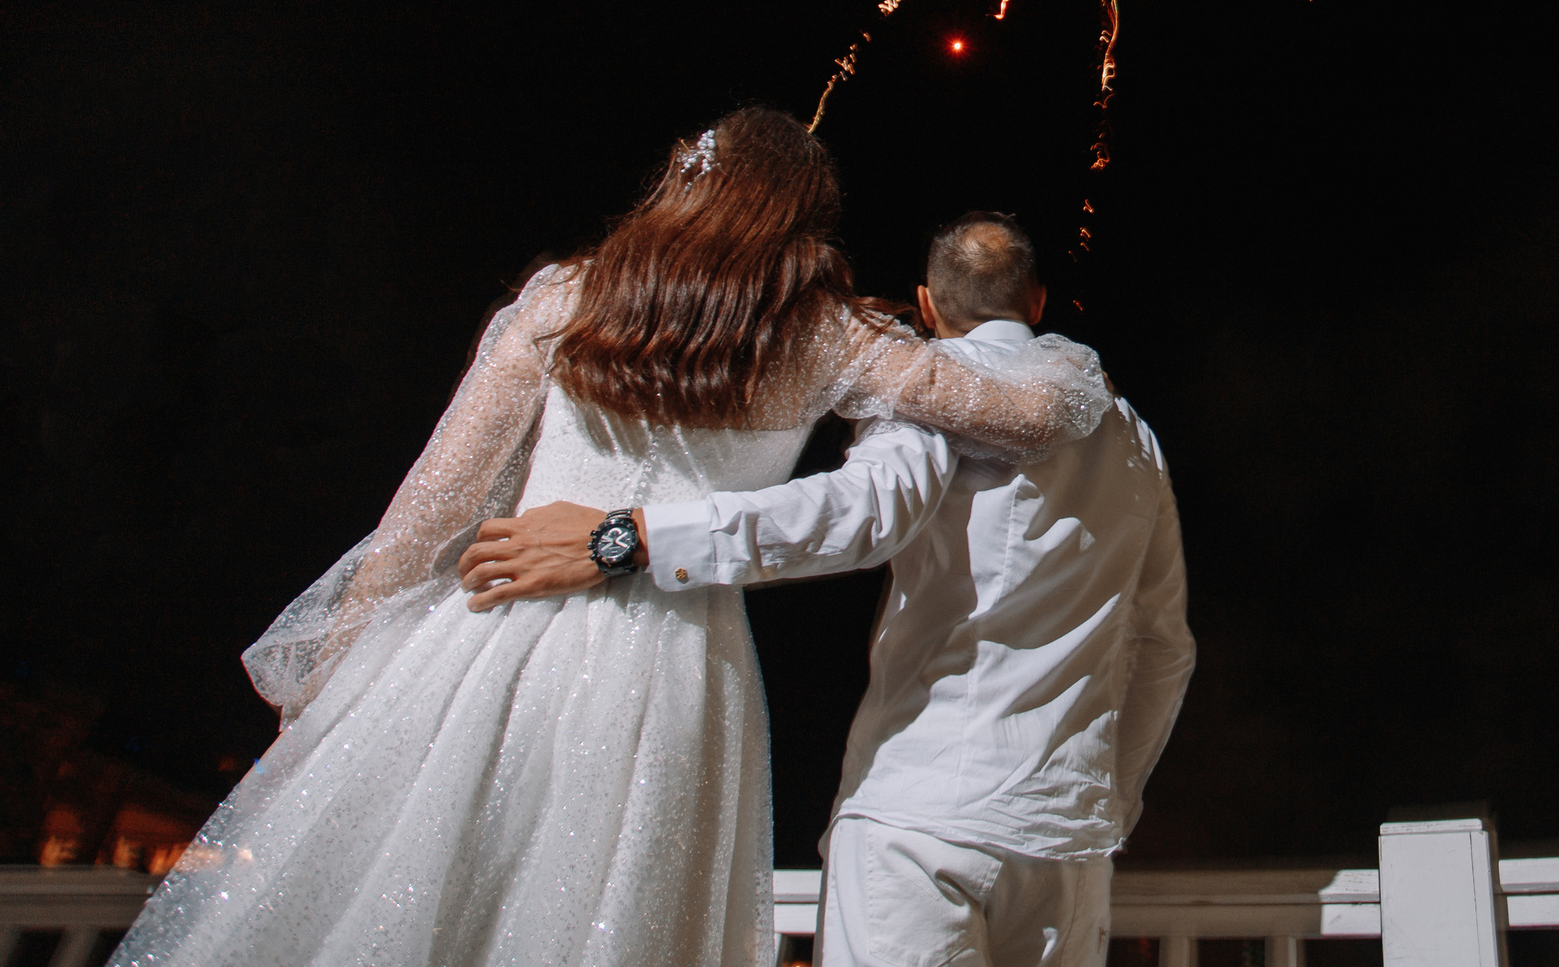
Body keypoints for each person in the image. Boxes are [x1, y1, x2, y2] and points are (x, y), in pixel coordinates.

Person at [113, 110, 1111, 967]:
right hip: (675, 672)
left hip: (490, 644)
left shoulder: (563, 300)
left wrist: (328, 682)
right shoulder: (828, 337)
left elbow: (428, 510)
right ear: (800, 219)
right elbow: (1040, 415)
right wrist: (1048, 353)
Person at [468, 209, 1194, 967]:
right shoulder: (1135, 437)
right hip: (1066, 846)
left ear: (926, 303)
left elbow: (851, 515)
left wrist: (633, 537)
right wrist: (1106, 799)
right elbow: (1164, 646)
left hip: (920, 825)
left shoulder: (937, 395)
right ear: (1037, 302)